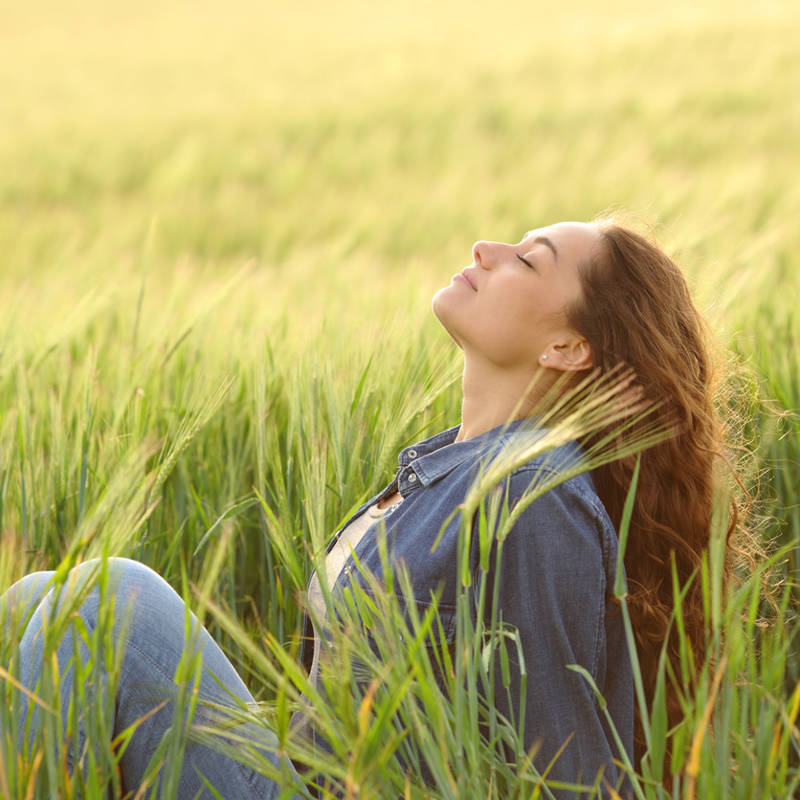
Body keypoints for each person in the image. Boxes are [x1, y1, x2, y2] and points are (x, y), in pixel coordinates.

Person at [2, 218, 732, 798]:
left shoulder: (531, 496)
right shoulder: (443, 465)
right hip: (310, 770)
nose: (488, 248)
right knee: (33, 601)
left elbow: (561, 759)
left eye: (529, 259)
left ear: (569, 346)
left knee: (109, 598)